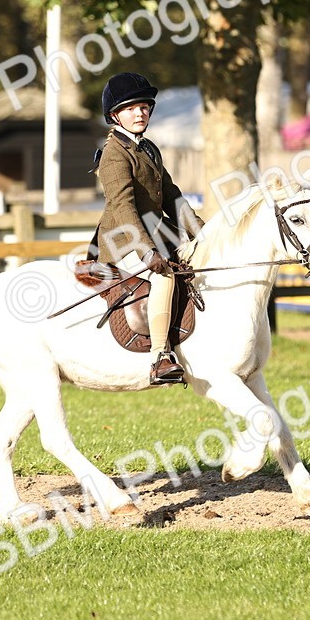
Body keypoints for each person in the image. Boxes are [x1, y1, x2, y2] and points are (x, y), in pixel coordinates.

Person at [91, 72, 204, 385]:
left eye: (144, 107)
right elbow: (124, 208)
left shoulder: (148, 148)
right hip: (124, 240)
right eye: (130, 109)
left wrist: (204, 234)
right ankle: (160, 357)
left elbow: (172, 195)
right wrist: (146, 251)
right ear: (115, 115)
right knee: (164, 275)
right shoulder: (114, 153)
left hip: (159, 232)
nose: (140, 113)